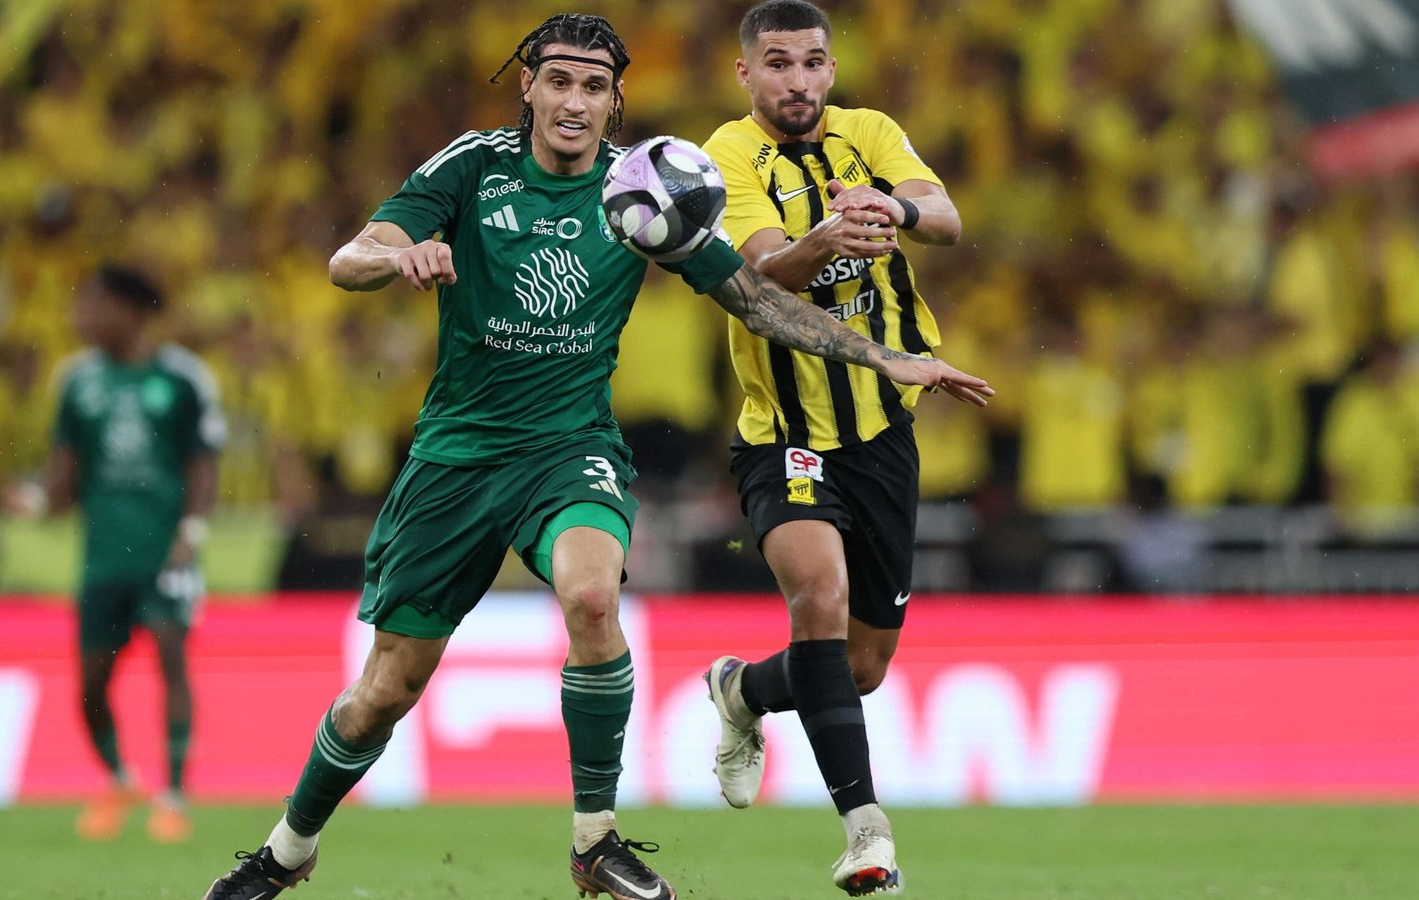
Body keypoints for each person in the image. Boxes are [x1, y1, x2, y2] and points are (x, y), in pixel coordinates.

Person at [200, 13, 989, 900]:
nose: (574, 102)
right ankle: (288, 850)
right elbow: (349, 258)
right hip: (458, 457)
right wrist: (400, 257)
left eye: (594, 86)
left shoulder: (640, 191)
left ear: (615, 102)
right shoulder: (473, 167)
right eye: (559, 81)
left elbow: (755, 300)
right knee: (384, 691)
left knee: (589, 594)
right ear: (528, 87)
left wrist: (885, 357)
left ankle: (595, 840)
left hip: (570, 450)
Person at [698, 1, 983, 894]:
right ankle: (867, 832)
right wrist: (825, 240)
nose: (799, 80)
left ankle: (744, 691)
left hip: (881, 435)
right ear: (746, 72)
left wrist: (892, 205)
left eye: (813, 62)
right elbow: (758, 278)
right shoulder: (726, 155)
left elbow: (946, 220)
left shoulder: (872, 133)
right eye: (778, 63)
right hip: (784, 434)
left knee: (861, 667)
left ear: (831, 66)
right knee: (817, 595)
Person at [12, 264, 225, 844]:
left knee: (171, 655)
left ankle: (174, 796)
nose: (83, 316)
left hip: (165, 550)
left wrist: (193, 529)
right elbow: (65, 471)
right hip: (104, 556)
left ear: (131, 312)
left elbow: (202, 462)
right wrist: (37, 500)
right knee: (90, 684)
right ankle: (120, 778)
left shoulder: (182, 379)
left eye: (96, 304)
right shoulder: (77, 382)